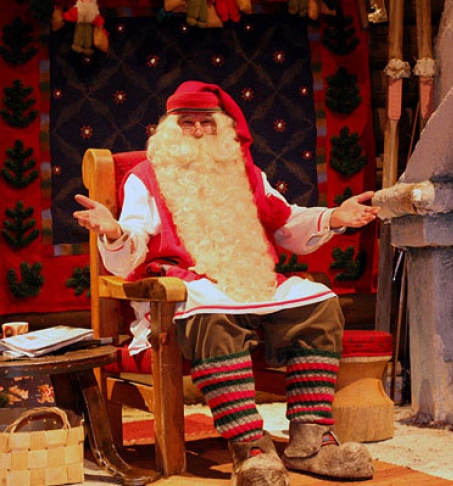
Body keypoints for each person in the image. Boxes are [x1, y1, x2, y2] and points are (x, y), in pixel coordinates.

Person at [73, 81, 379, 485]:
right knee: (209, 310)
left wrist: (335, 217)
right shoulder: (145, 178)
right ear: (169, 128)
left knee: (318, 302)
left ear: (223, 128)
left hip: (251, 282)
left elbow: (285, 220)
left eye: (208, 122)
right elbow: (132, 243)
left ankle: (310, 441)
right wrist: (113, 232)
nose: (199, 131)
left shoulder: (246, 172)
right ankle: (250, 447)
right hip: (187, 292)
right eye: (188, 122)